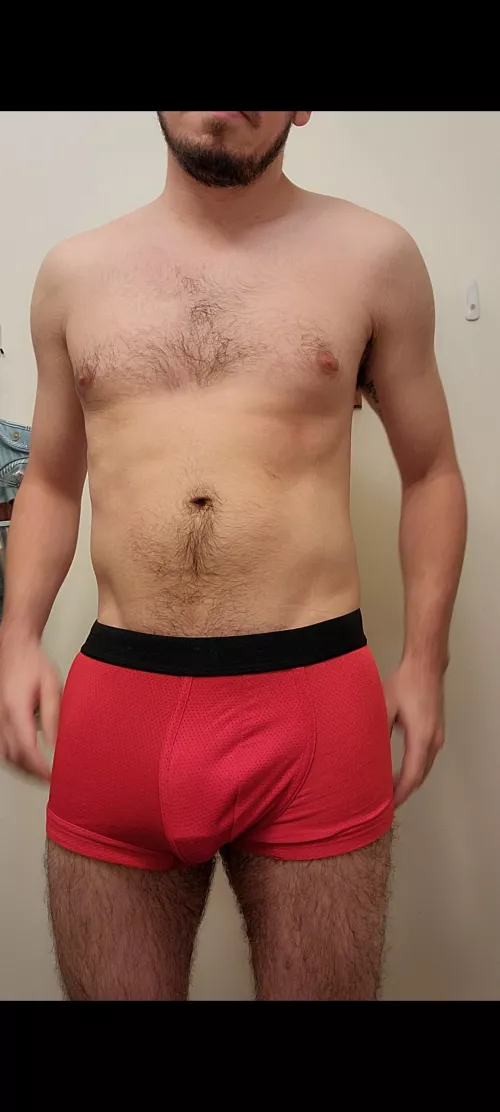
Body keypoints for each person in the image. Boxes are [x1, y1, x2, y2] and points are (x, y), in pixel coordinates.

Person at [0, 111, 467, 1001]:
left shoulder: (375, 258)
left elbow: (432, 471)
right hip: (119, 704)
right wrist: (17, 638)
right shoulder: (72, 275)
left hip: (313, 704)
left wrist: (424, 660)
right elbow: (53, 481)